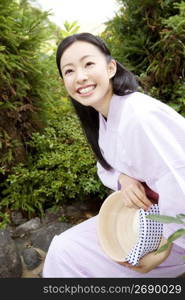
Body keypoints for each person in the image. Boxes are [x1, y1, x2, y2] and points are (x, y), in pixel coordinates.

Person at [43, 32, 185, 278]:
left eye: (88, 64)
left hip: (175, 235)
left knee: (72, 259)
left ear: (110, 68)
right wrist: (124, 178)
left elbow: (178, 179)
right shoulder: (104, 118)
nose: (81, 77)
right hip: (147, 221)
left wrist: (162, 247)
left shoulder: (139, 114)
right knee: (63, 249)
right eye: (69, 71)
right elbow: (106, 166)